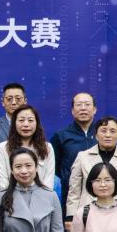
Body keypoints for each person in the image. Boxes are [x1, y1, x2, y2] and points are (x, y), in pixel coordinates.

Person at [66, 116, 117, 229]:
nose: (108, 135)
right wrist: (71, 216)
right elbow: (74, 191)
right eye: (103, 131)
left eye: (113, 131)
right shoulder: (82, 157)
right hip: (87, 215)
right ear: (96, 135)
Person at [50, 92, 97, 221]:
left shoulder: (102, 134)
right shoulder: (61, 136)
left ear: (94, 109)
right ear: (72, 110)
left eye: (87, 104)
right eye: (79, 105)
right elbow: (55, 168)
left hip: (99, 194)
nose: (83, 108)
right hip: (70, 196)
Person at [0, 105, 55, 191]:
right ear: (14, 123)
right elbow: (3, 184)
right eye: (21, 120)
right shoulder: (3, 148)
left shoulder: (47, 148)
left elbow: (48, 183)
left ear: (37, 123)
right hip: (10, 197)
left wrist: (38, 197)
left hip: (42, 197)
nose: (26, 124)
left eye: (30, 120)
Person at [0, 83, 27, 162]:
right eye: (9, 99)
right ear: (3, 102)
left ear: (25, 101)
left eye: (18, 99)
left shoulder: (32, 125)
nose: (14, 102)